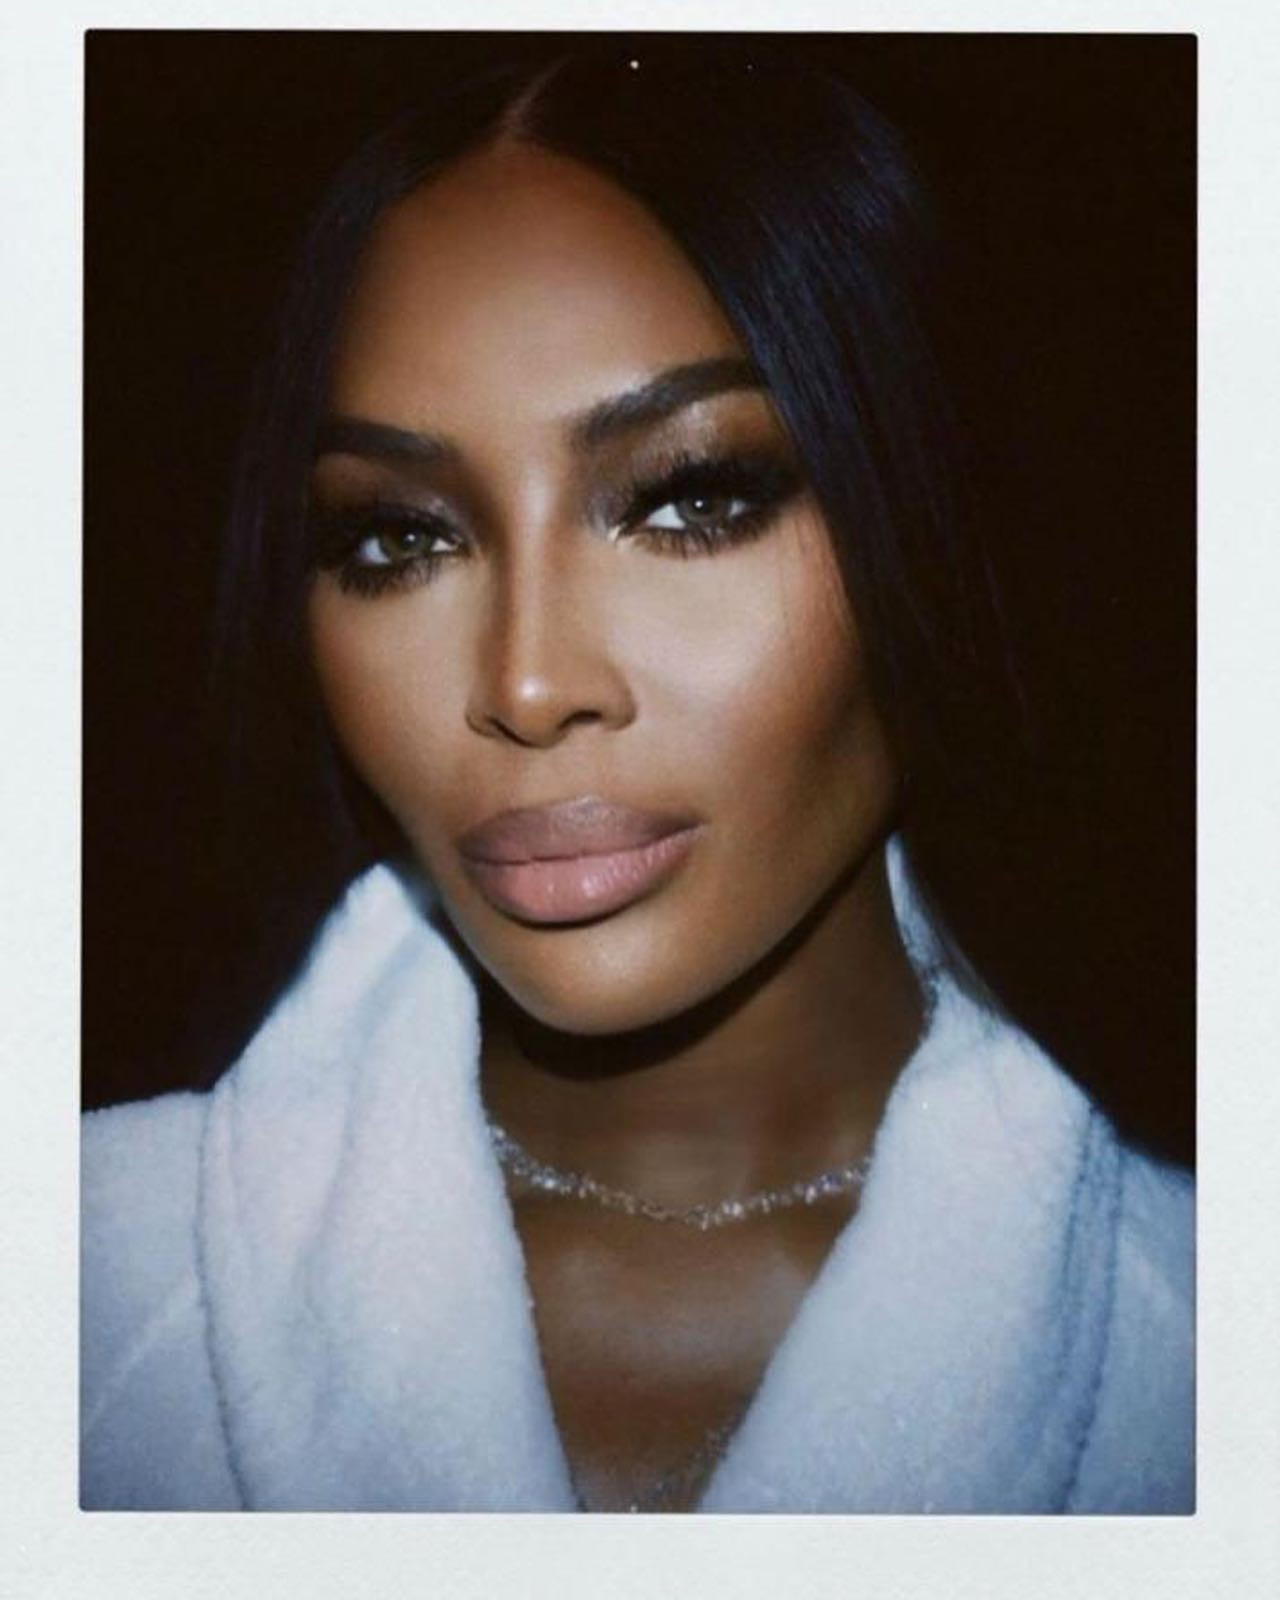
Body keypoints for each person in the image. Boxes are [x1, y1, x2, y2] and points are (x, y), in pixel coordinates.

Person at [80, 43, 1193, 1514]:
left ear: (935, 519)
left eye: (692, 499)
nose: (529, 684)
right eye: (399, 538)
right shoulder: (84, 1288)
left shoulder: (1208, 1355)